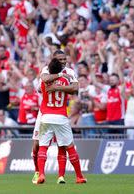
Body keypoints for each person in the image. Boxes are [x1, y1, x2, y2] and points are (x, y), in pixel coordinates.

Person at [31, 50, 79, 184]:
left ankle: (60, 176)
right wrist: (60, 77)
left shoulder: (70, 72)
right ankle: (37, 172)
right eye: (60, 59)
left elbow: (75, 88)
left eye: (65, 59)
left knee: (61, 145)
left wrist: (59, 87)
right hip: (44, 112)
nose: (63, 62)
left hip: (58, 112)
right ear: (53, 60)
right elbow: (45, 79)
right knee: (36, 144)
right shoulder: (46, 69)